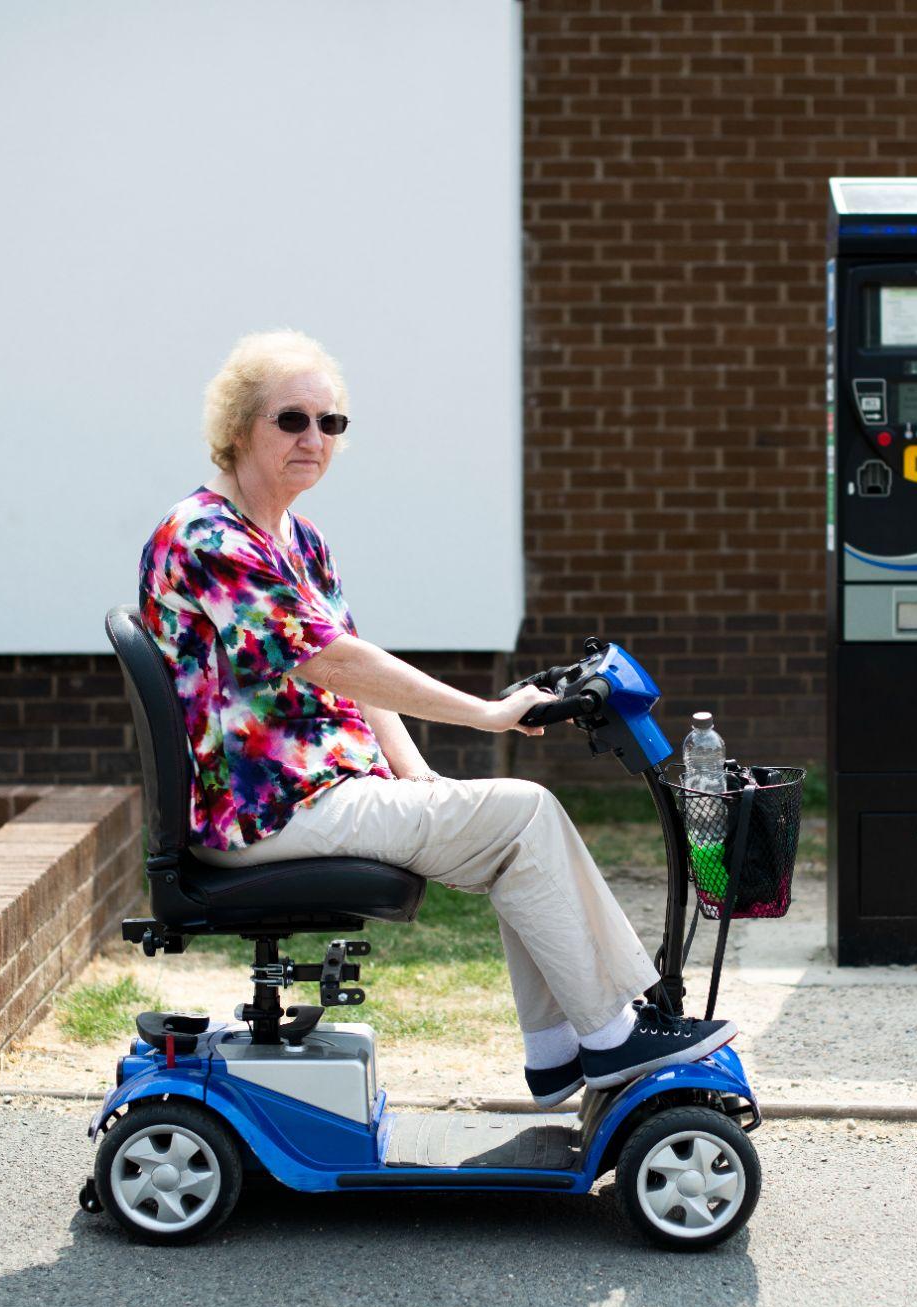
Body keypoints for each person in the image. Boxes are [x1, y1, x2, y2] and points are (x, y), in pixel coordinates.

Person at [139, 330, 734, 1103]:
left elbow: (355, 663)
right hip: (263, 813)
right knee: (524, 813)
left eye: (331, 423)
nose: (314, 438)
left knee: (512, 834)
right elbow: (333, 662)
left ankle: (560, 1050)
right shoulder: (208, 537)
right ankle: (612, 1037)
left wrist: (418, 776)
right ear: (239, 426)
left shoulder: (297, 538)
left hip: (319, 793)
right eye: (292, 420)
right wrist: (488, 716)